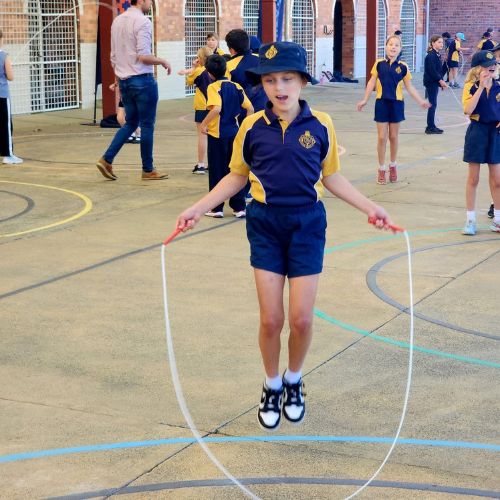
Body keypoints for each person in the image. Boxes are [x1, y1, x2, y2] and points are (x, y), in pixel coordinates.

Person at [175, 42, 394, 431]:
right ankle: (272, 383)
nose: (279, 87)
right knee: (272, 318)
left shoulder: (321, 124)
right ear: (263, 84)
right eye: (271, 79)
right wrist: (196, 207)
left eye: (287, 79)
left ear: (302, 82)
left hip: (308, 223)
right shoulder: (251, 126)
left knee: (302, 319)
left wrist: (370, 207)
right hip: (265, 223)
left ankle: (294, 379)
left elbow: (332, 177)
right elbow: (236, 176)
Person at [96, 0, 171, 181]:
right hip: (142, 80)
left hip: (125, 81)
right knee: (146, 125)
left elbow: (113, 56)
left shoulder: (118, 21)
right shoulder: (143, 21)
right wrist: (162, 61)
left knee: (131, 123)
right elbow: (143, 55)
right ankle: (147, 169)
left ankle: (107, 159)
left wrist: (118, 77)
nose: (151, 4)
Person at [356, 35, 431, 184]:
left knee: (393, 137)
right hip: (381, 103)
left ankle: (393, 164)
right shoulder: (379, 64)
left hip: (397, 104)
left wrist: (420, 101)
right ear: (385, 46)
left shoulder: (403, 66)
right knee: (382, 137)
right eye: (390, 44)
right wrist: (365, 99)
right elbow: (371, 82)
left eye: (396, 45)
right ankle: (382, 168)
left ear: (400, 49)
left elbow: (409, 86)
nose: (393, 47)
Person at [200, 54, 253, 218]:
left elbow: (216, 108)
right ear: (226, 69)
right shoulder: (237, 86)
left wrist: (204, 124)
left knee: (217, 170)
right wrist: (246, 126)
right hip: (235, 134)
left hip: (218, 135)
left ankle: (216, 208)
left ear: (209, 73)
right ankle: (239, 207)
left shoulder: (213, 87)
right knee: (235, 170)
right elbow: (250, 108)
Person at [461, 50, 500, 235]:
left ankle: (498, 219)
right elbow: (468, 110)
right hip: (477, 132)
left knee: (497, 179)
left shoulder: (499, 86)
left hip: (495, 133)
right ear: (477, 69)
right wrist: (480, 88)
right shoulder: (470, 87)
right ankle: (470, 220)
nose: (490, 70)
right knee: (473, 178)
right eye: (486, 67)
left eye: (493, 67)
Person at [178, 46, 213, 174]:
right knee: (214, 135)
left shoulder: (199, 71)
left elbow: (189, 81)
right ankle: (214, 163)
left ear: (201, 58)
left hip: (202, 106)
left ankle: (201, 164)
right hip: (214, 106)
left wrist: (194, 67)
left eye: (198, 57)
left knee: (202, 136)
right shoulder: (214, 70)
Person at [0, 29, 22, 165]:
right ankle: (8, 155)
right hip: (2, 95)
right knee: (6, 125)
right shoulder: (4, 56)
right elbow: (10, 76)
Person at [423, 35, 448, 134]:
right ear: (433, 43)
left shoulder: (436, 55)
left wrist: (440, 81)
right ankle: (430, 127)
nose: (441, 44)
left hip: (434, 82)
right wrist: (440, 80)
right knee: (432, 105)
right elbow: (432, 71)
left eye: (442, 42)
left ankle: (431, 125)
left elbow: (439, 70)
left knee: (433, 104)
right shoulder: (431, 56)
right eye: (439, 42)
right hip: (431, 83)